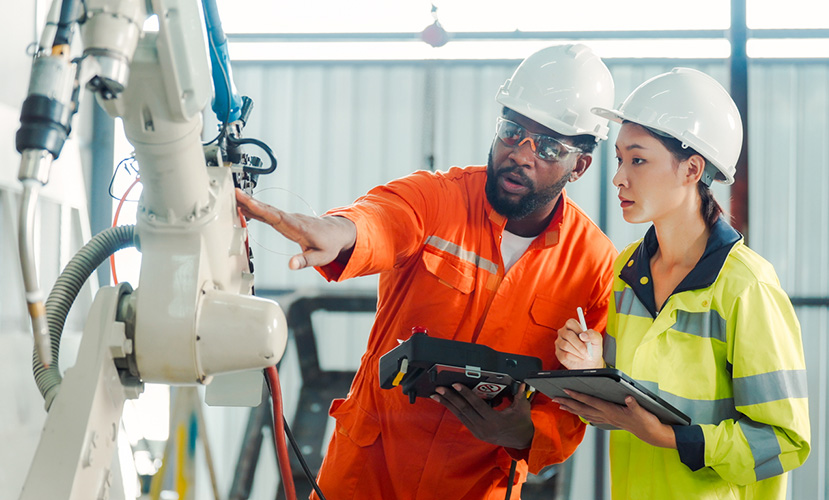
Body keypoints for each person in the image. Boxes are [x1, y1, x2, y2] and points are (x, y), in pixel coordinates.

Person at [236, 44, 618, 499]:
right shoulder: (441, 199)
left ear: (580, 165)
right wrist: (338, 231)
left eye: (549, 146)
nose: (520, 153)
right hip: (366, 476)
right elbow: (385, 218)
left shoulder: (593, 266)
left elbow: (577, 398)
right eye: (512, 131)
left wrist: (523, 432)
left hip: (476, 486)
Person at [554, 68, 810, 499]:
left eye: (638, 159)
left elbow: (787, 441)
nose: (619, 177)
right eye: (619, 159)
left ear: (692, 168)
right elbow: (623, 413)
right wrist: (592, 371)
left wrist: (669, 438)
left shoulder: (747, 287)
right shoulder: (627, 272)